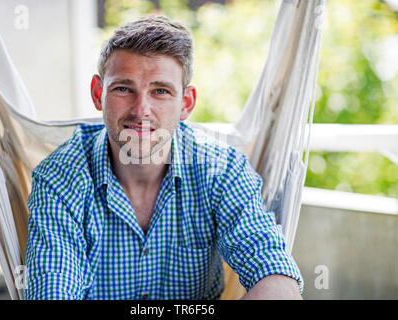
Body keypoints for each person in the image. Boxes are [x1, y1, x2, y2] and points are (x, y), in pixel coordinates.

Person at [24, 15, 303, 300]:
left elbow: (277, 279)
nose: (141, 109)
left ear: (186, 103)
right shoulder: (60, 179)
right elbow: (52, 289)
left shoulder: (222, 171)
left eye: (160, 91)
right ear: (98, 93)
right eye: (123, 88)